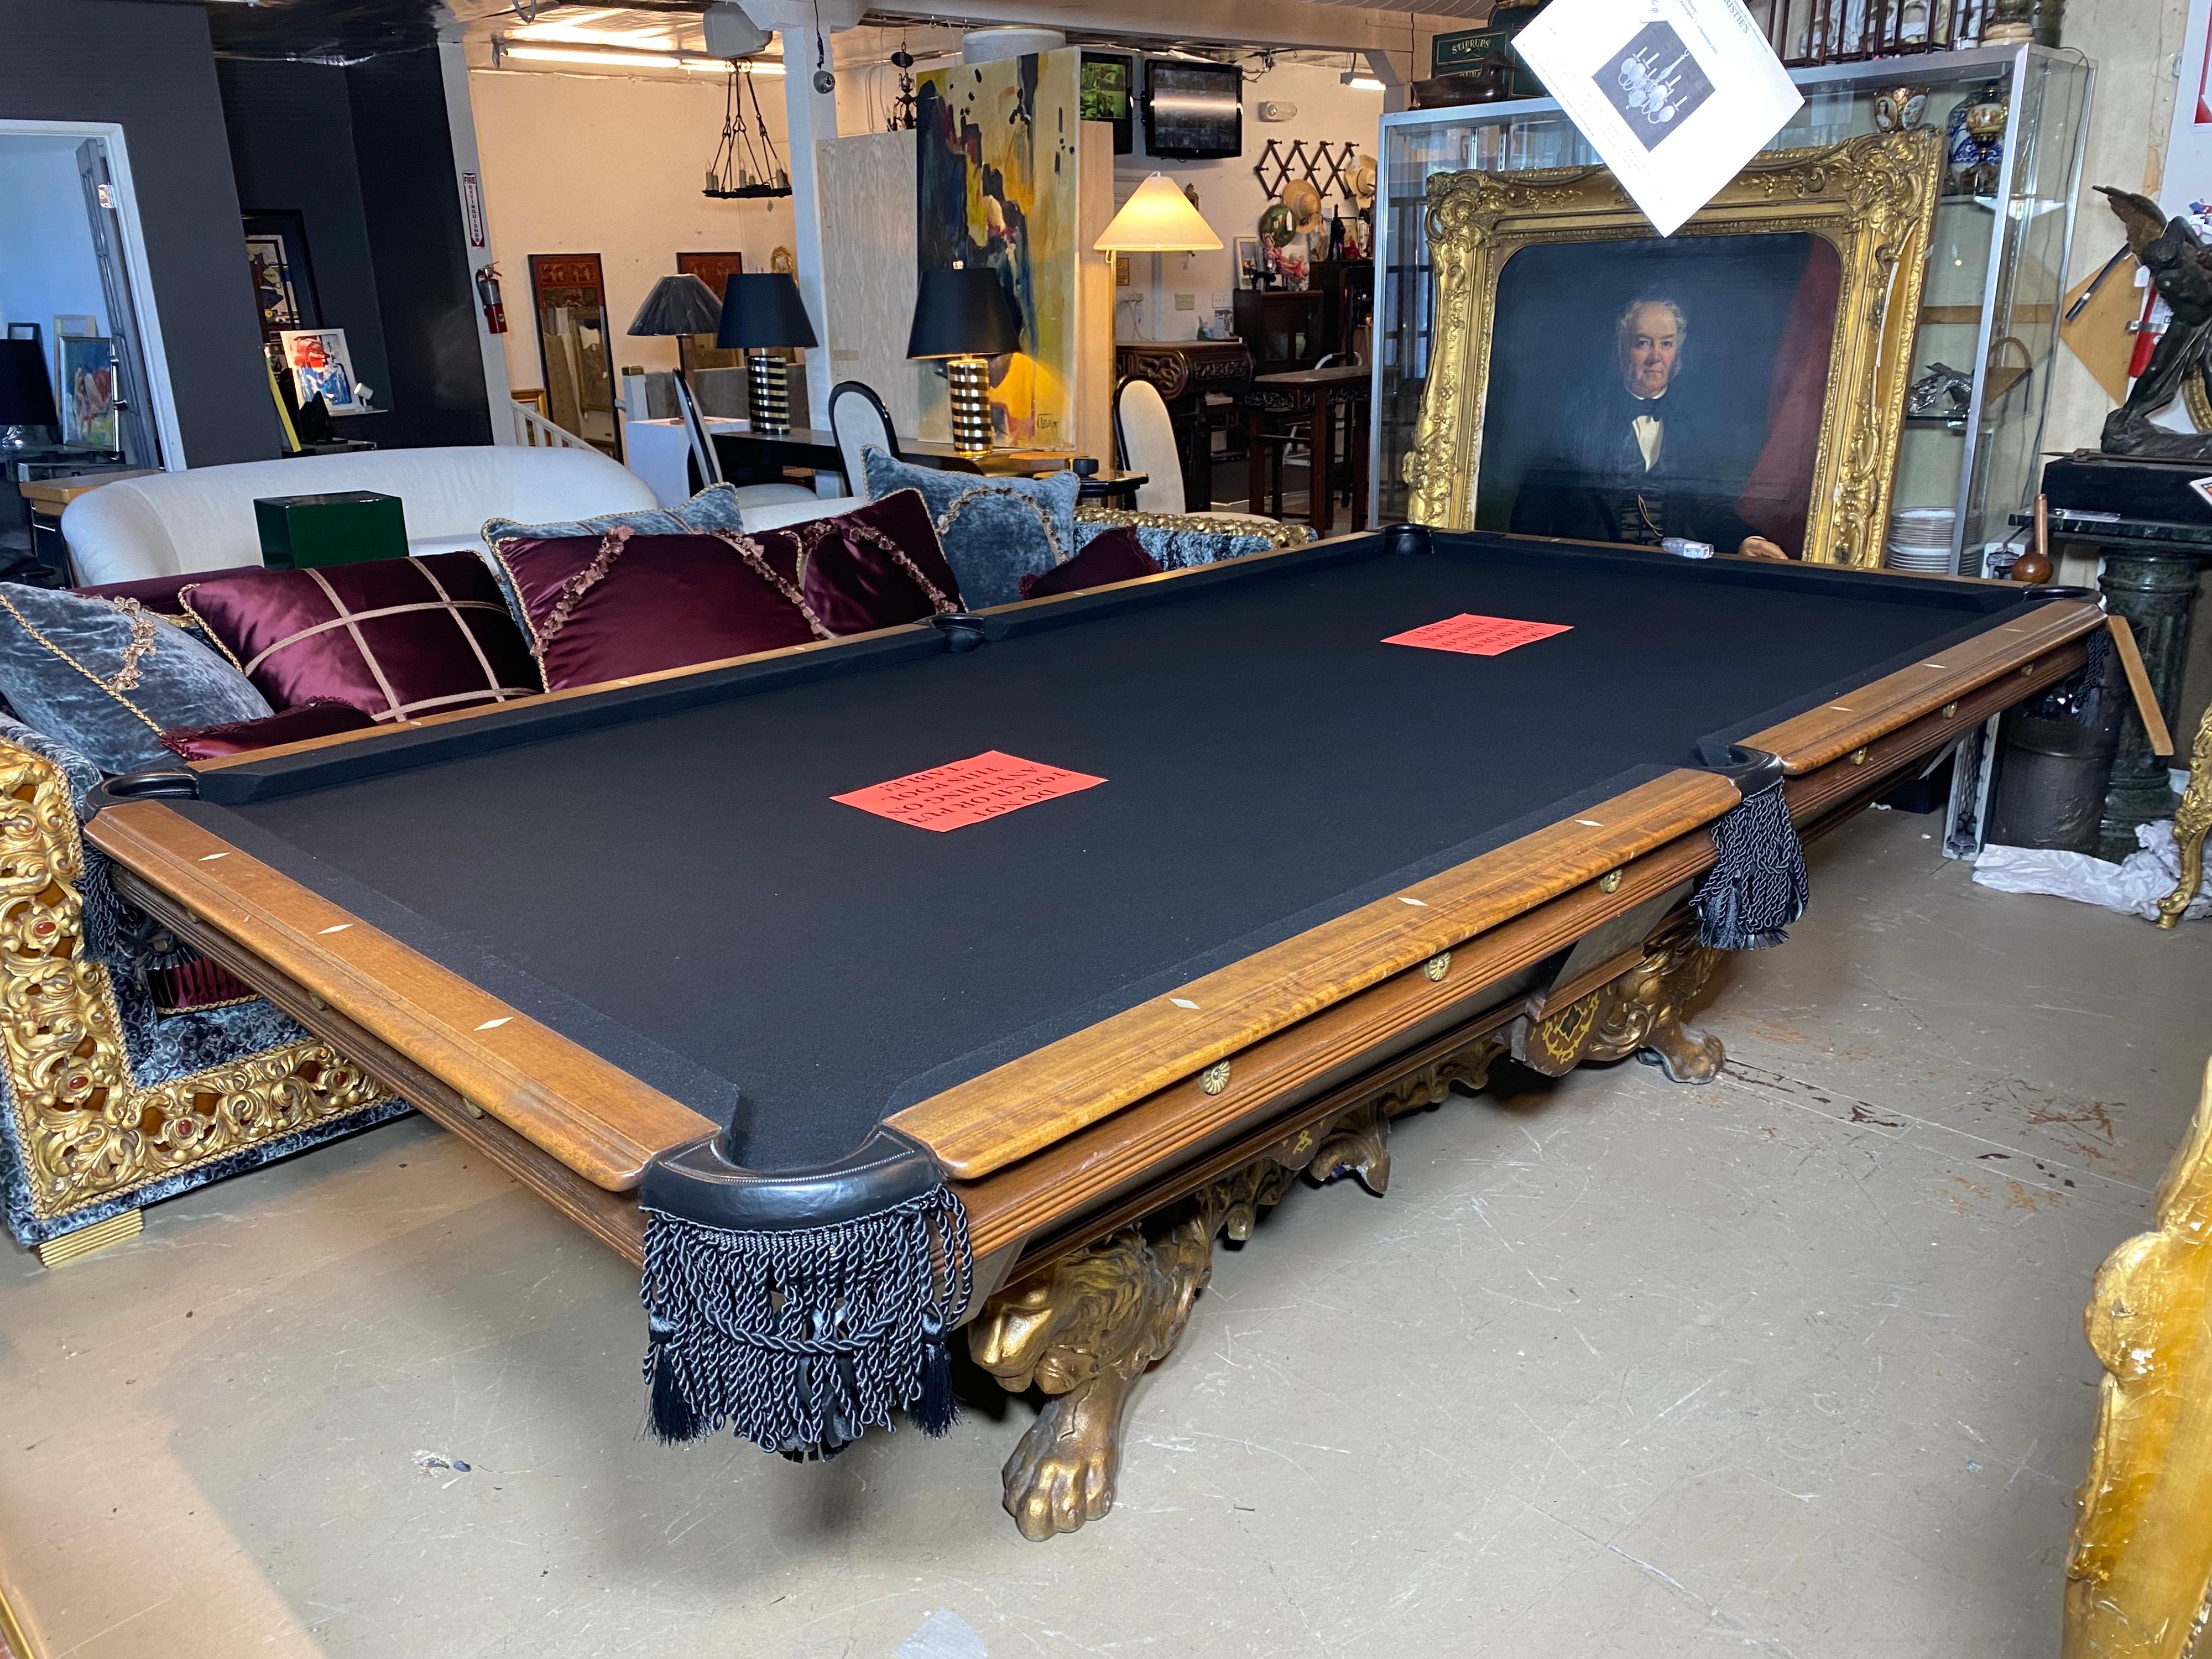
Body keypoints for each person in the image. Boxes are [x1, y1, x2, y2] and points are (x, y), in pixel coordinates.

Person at [1509, 296, 1788, 560]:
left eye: (1666, 344)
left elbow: (1710, 512)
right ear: (1622, 350)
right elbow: (1530, 518)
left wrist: (1745, 541)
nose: (1656, 357)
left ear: (1678, 352)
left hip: (1662, 582)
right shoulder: (1576, 425)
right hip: (1586, 578)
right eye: (1643, 343)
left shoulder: (1685, 431)